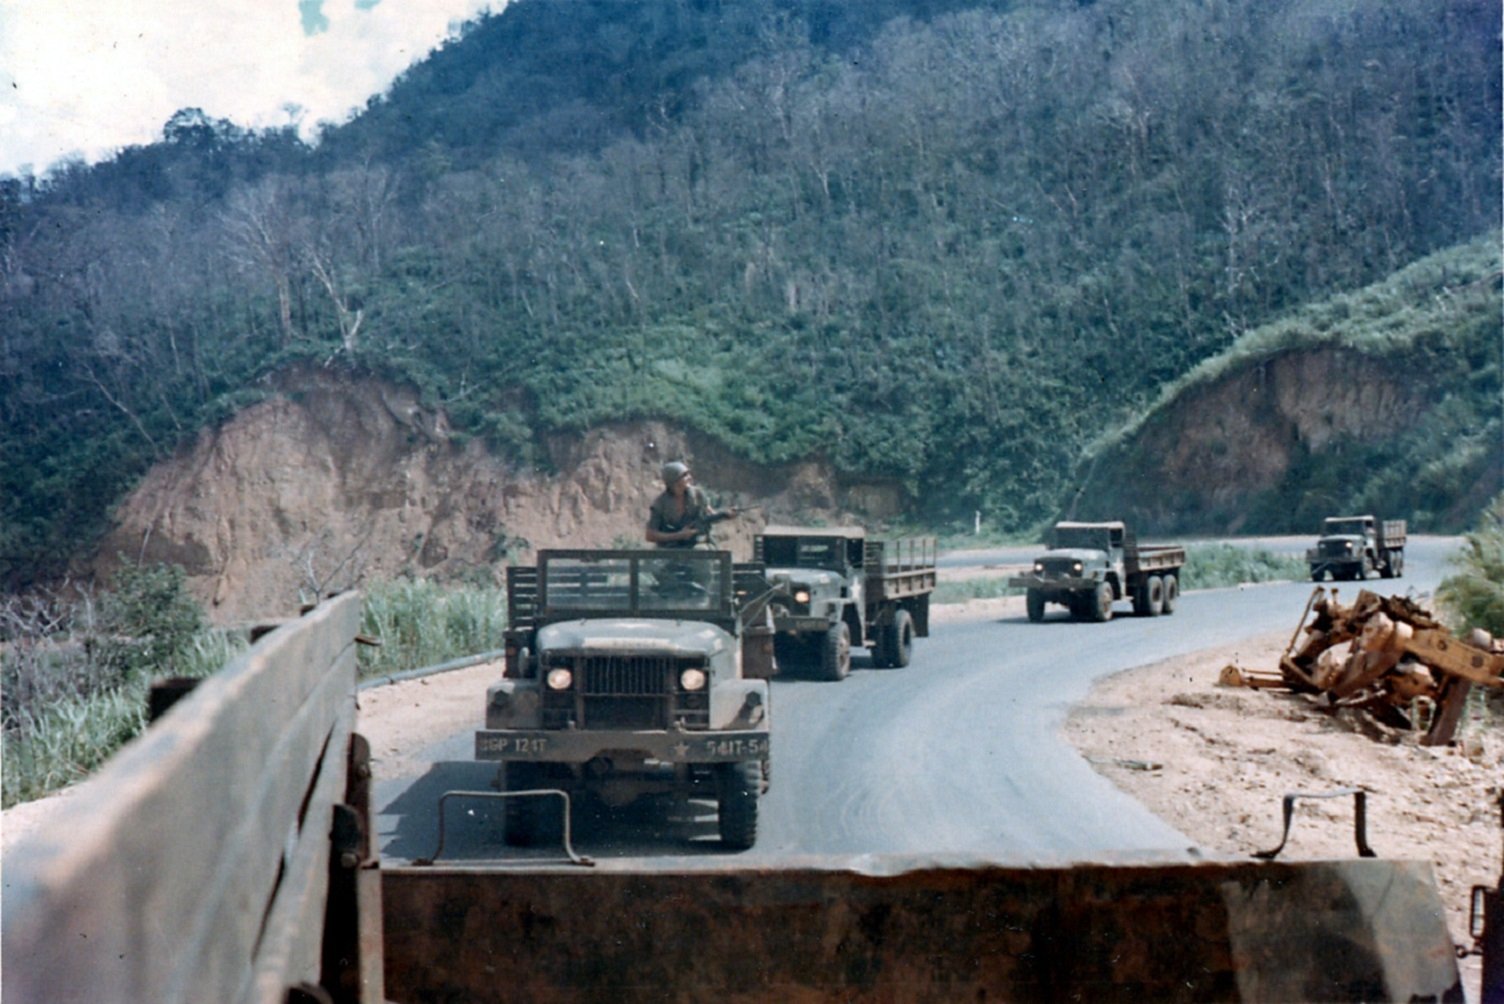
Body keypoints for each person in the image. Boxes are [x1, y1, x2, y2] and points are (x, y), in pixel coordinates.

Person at [645, 460, 738, 548]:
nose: (690, 478)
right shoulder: (660, 503)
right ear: (674, 481)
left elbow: (710, 515)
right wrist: (678, 535)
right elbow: (650, 535)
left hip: (695, 544)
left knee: (704, 554)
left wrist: (725, 514)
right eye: (684, 475)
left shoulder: (697, 495)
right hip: (668, 548)